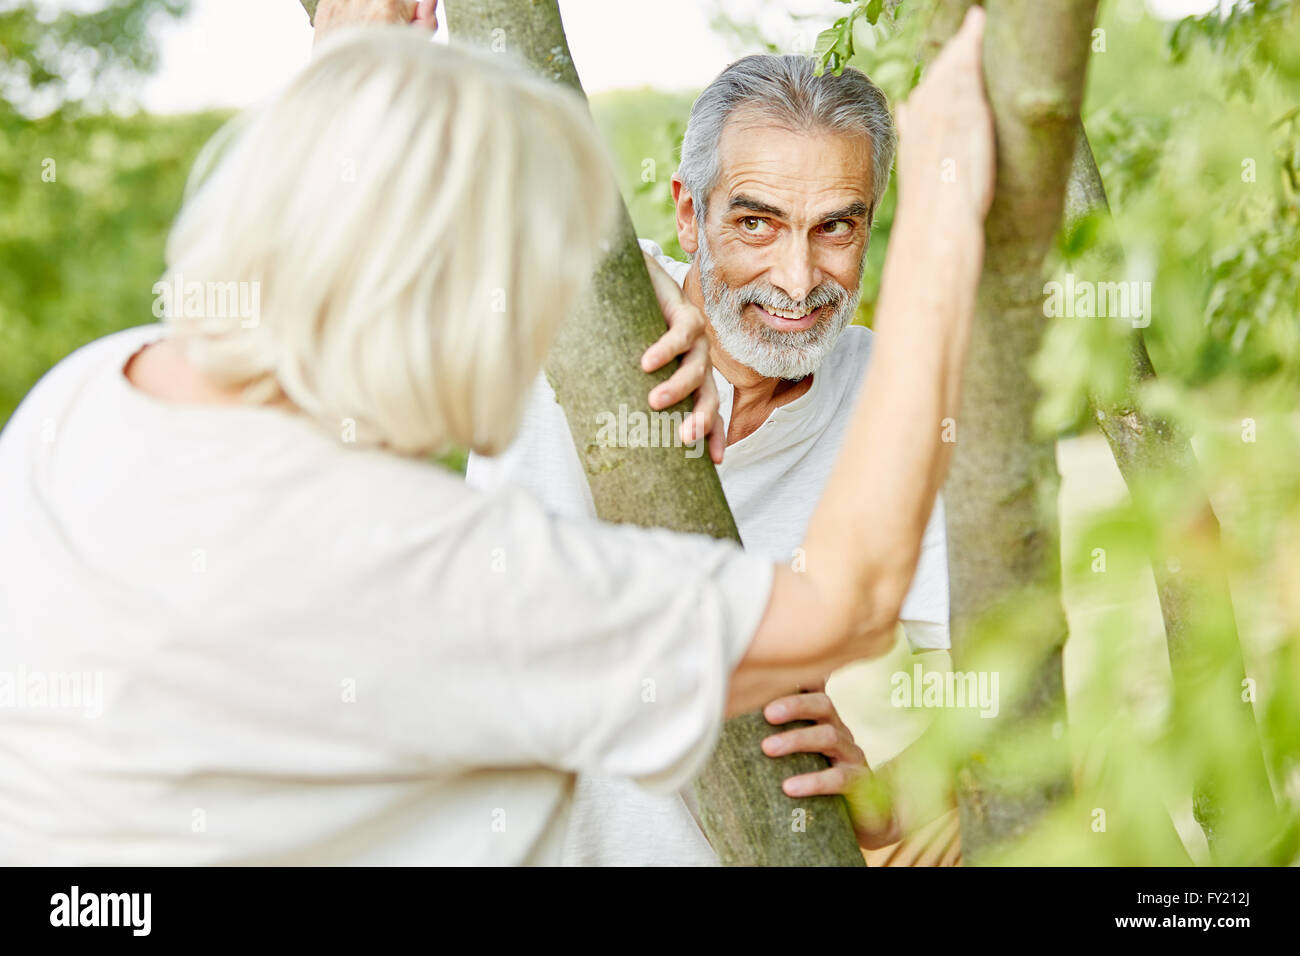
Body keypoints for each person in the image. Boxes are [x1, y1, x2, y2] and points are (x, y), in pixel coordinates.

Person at [0, 9, 993, 864]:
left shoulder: (87, 398)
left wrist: (351, 53)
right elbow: (844, 602)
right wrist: (949, 218)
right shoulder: (457, 572)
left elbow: (322, 216)